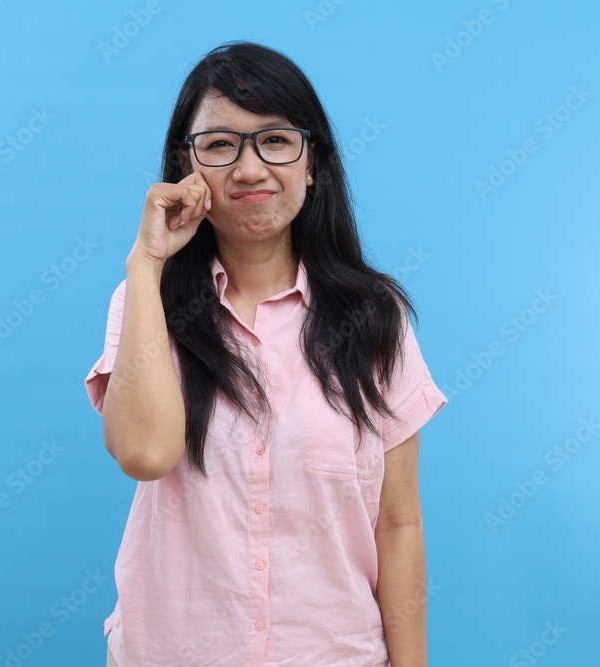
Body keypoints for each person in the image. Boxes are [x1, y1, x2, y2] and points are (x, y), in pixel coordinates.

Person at [85, 40, 448, 667]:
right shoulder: (145, 302)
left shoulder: (375, 318)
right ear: (186, 166)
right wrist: (145, 264)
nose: (250, 169)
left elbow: (397, 523)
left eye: (275, 141)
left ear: (312, 163)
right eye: (220, 145)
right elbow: (144, 454)